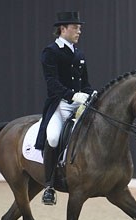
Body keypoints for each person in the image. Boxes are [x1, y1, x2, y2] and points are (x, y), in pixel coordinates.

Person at [35, 11, 94, 205]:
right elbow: (51, 82)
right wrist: (71, 95)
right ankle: (49, 186)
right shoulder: (50, 52)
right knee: (52, 137)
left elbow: (84, 82)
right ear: (63, 29)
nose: (79, 31)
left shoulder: (79, 53)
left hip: (79, 103)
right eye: (75, 27)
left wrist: (90, 93)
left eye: (80, 28)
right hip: (60, 105)